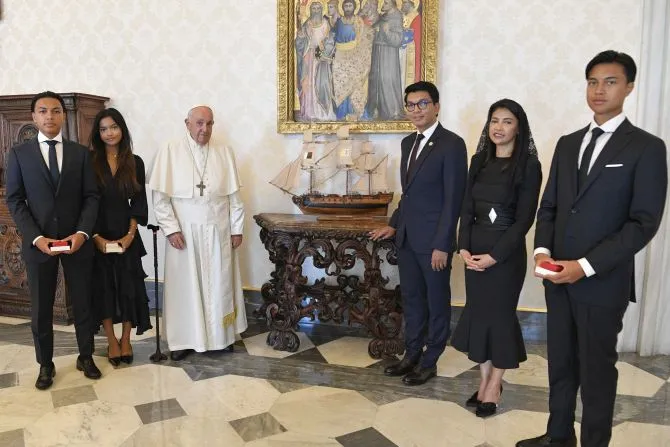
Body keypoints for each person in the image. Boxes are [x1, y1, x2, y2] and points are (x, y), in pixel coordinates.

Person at [517, 51, 667, 447]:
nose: (599, 90)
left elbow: (643, 223)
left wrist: (584, 266)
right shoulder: (567, 144)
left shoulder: (647, 148)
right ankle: (558, 436)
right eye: (593, 82)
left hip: (602, 282)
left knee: (597, 371)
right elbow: (548, 206)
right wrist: (541, 253)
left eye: (611, 82)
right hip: (557, 279)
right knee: (560, 364)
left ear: (629, 87)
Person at [370, 81, 467, 385]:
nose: (416, 110)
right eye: (411, 105)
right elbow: (407, 194)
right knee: (412, 300)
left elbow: (454, 200)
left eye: (422, 103)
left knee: (436, 302)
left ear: (436, 106)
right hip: (409, 239)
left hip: (434, 243)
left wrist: (443, 244)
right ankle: (411, 354)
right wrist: (394, 224)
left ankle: (430, 360)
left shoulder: (452, 144)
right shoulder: (407, 143)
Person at [451, 99, 542, 418]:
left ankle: (494, 384)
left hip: (504, 256)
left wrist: (494, 256)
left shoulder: (529, 165)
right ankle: (485, 379)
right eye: (494, 121)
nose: (499, 127)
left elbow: (524, 220)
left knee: (500, 319)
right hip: (474, 251)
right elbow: (465, 207)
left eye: (506, 121)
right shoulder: (478, 161)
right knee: (478, 316)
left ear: (519, 127)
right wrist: (462, 247)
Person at [5, 91, 101, 389]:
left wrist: (83, 233)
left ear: (63, 116)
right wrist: (35, 237)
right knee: (41, 308)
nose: (50, 116)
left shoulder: (80, 153)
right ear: (34, 116)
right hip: (40, 244)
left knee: (83, 302)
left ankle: (86, 356)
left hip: (76, 242)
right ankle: (45, 364)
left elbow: (91, 196)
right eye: (43, 111)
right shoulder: (19, 154)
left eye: (56, 111)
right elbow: (15, 200)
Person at [148, 105, 247, 361]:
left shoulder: (224, 151)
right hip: (184, 233)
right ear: (187, 123)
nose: (205, 129)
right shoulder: (170, 150)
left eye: (210, 124)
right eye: (200, 123)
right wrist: (171, 230)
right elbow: (160, 198)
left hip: (219, 230)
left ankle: (221, 338)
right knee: (185, 288)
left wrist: (237, 229)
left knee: (219, 284)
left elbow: (235, 198)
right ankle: (183, 339)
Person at [89, 108, 152, 367]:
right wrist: (95, 237)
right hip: (98, 236)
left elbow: (138, 201)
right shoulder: (89, 161)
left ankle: (126, 339)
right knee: (103, 289)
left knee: (128, 289)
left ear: (122, 129)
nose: (109, 133)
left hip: (127, 236)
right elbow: (86, 202)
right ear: (98, 133)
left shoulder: (134, 161)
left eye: (114, 127)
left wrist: (129, 235)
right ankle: (111, 341)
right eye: (103, 129)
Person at [332, 0, 374, 120]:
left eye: (350, 5)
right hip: (340, 56)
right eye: (346, 6)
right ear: (342, 8)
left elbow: (363, 38)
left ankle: (355, 112)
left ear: (354, 8)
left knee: (355, 84)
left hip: (354, 56)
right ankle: (342, 112)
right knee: (341, 83)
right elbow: (333, 36)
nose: (348, 8)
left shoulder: (358, 21)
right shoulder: (338, 21)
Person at [295, 0, 336, 121]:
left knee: (323, 84)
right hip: (308, 59)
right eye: (314, 8)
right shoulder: (306, 24)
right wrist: (300, 37)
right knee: (308, 85)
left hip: (322, 59)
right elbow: (299, 44)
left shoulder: (326, 23)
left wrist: (324, 50)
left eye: (318, 8)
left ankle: (323, 113)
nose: (316, 11)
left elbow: (331, 40)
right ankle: (310, 112)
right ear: (310, 10)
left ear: (321, 10)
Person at [366, 0, 405, 120]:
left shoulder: (397, 17)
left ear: (393, 4)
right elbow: (373, 29)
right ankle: (376, 109)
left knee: (387, 80)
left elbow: (398, 39)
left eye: (386, 3)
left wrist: (387, 32)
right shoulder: (383, 16)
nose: (383, 5)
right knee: (376, 80)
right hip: (377, 52)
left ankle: (392, 111)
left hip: (388, 54)